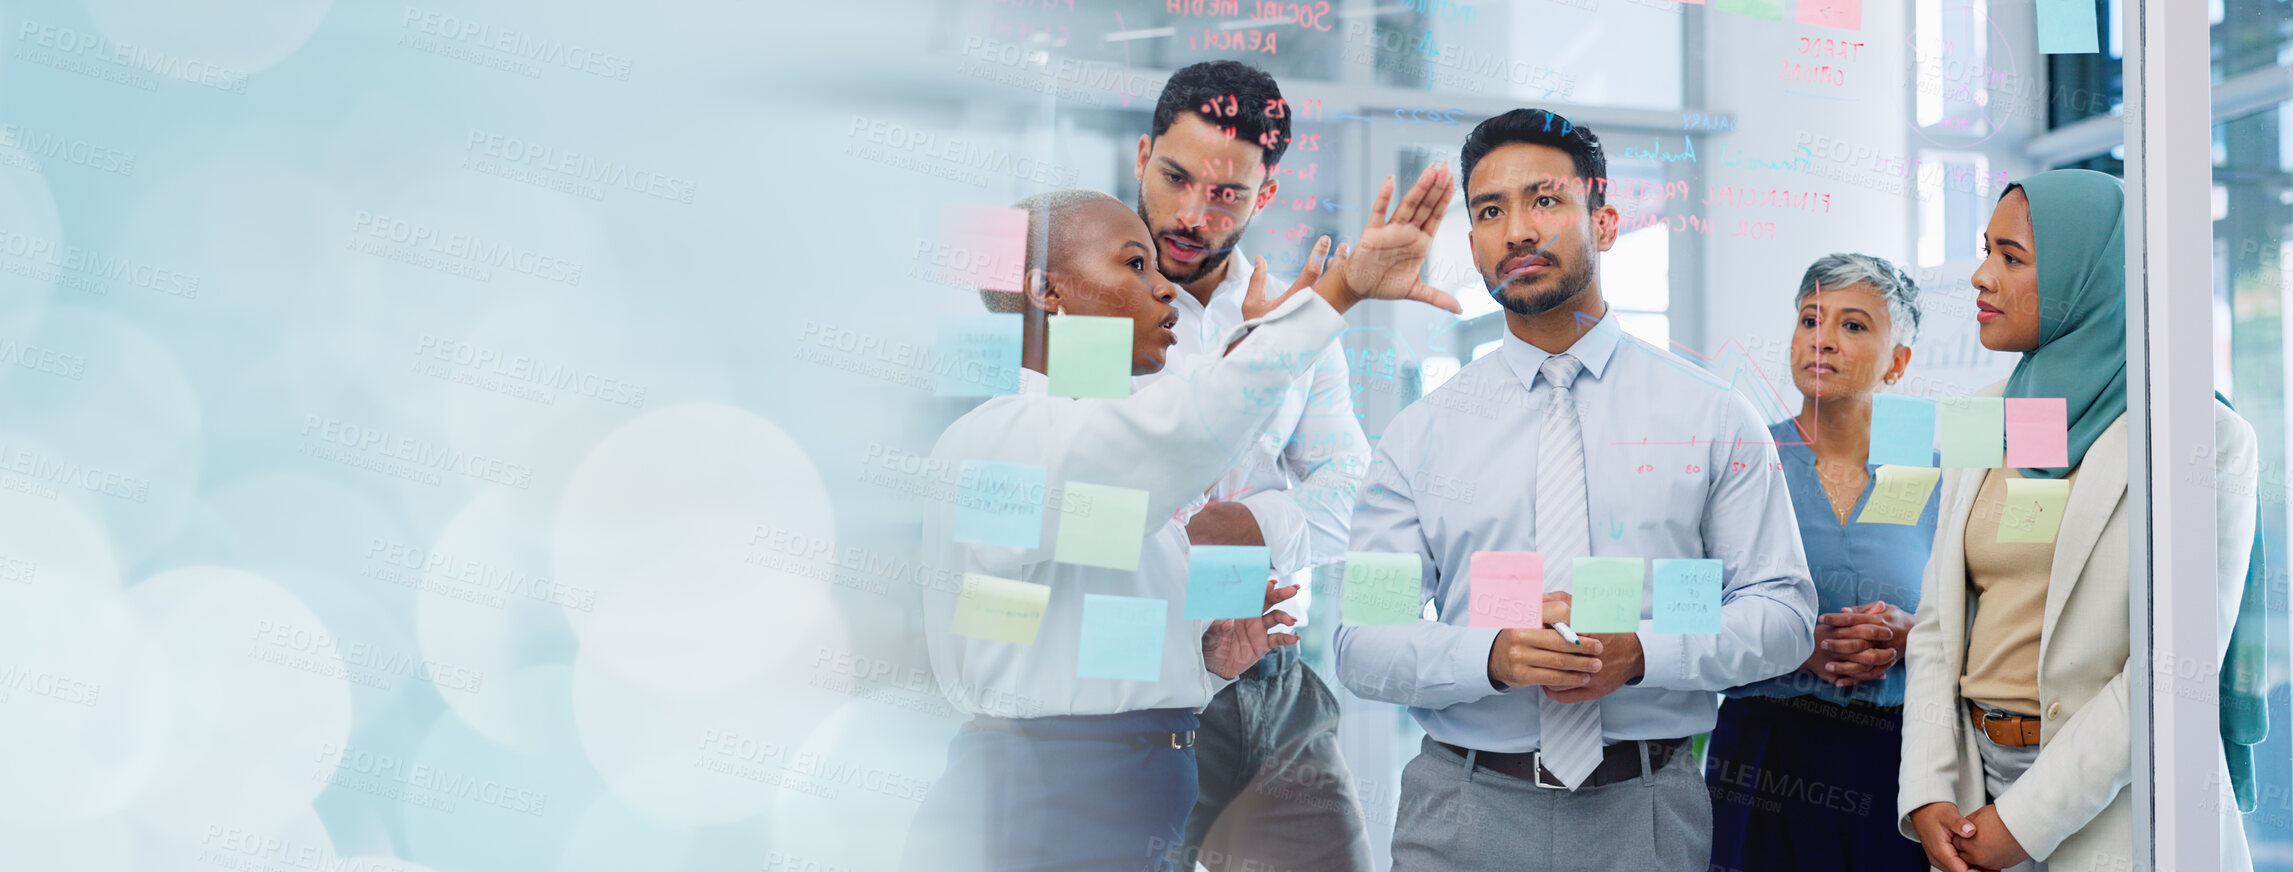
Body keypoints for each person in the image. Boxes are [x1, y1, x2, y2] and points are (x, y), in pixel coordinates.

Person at [904, 176, 1461, 872]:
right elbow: (1181, 434)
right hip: (1044, 812)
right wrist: (1337, 293)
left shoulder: (1095, 457)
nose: (1164, 287)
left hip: (1122, 803)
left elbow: (1071, 632)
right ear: (1047, 292)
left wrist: (1205, 670)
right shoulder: (1007, 442)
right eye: (1133, 265)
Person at [1333, 107, 1817, 872]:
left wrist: (1644, 653)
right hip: (1459, 813)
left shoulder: (1711, 415)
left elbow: (1783, 614)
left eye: (1545, 200)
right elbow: (1362, 643)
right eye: (1490, 212)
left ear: (1607, 220)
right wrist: (1490, 655)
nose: (1517, 230)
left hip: (1645, 814)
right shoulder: (1420, 434)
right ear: (1472, 246)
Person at [1897, 169, 2258, 872]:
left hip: (2117, 810)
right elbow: (1938, 627)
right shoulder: (1982, 414)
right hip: (1972, 799)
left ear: (2088, 276)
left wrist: (2025, 822)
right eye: (1985, 250)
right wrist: (1927, 791)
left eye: (2011, 257)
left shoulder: (2201, 438)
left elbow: (2170, 669)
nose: (1979, 275)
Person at [1128, 60, 1376, 872]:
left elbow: (1351, 495)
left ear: (1263, 197)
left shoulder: (1298, 321)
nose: (1193, 213)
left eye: (1227, 194)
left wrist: (1249, 526)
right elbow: (1061, 502)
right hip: (1126, 680)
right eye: (1175, 177)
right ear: (1141, 157)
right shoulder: (1081, 301)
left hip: (1269, 679)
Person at [1703, 253, 1934, 871]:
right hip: (1762, 756)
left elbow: (1994, 609)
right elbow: (1680, 604)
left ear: (1898, 363)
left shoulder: (1943, 473)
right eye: (1810, 320)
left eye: (1853, 326)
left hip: (1901, 759)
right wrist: (1785, 643)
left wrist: (1922, 636)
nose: (1822, 340)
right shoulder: (1741, 460)